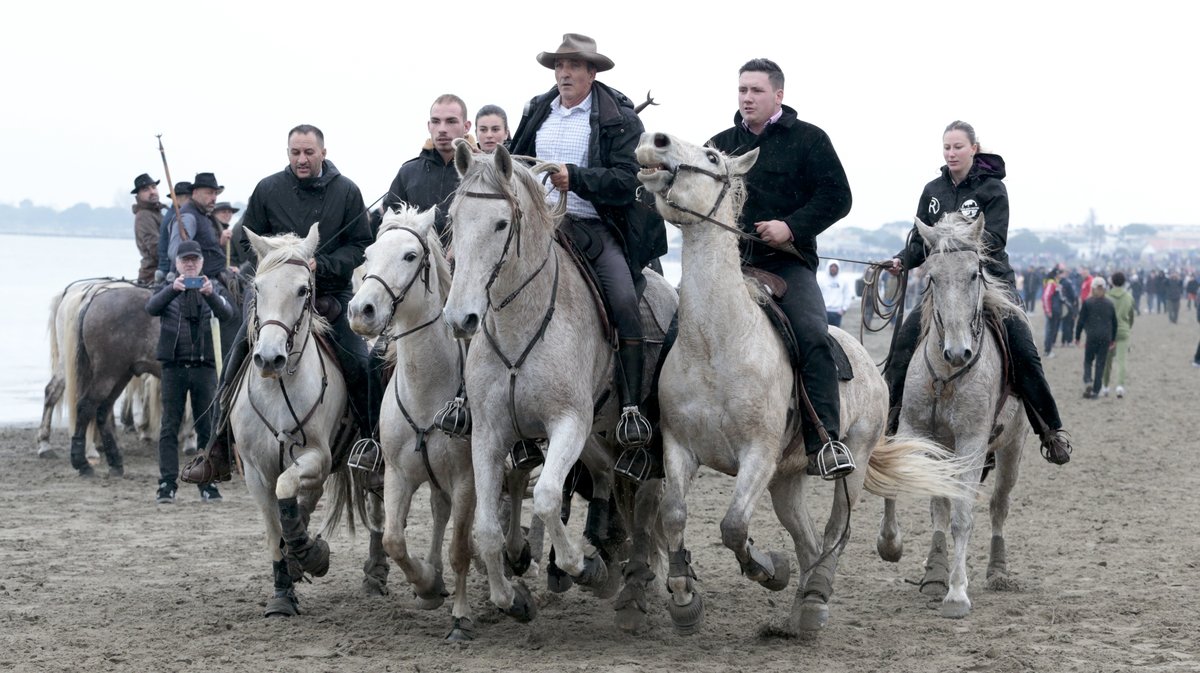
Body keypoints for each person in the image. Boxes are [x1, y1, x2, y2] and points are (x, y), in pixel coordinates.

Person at [508, 33, 668, 476]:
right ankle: (477, 405)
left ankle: (631, 410)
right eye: (559, 66)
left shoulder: (620, 118)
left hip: (595, 227)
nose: (564, 73)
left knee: (624, 302)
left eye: (574, 66)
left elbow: (628, 179)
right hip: (537, 229)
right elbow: (516, 163)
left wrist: (575, 178)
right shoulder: (537, 110)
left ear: (592, 72)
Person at [181, 124, 372, 485]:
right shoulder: (268, 189)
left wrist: (322, 264)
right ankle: (217, 449)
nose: (302, 159)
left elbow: (361, 244)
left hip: (330, 295)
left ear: (323, 153)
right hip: (273, 300)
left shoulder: (346, 191)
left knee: (361, 363)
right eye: (295, 152)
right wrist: (272, 263)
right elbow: (243, 238)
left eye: (309, 152)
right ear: (288, 154)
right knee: (237, 356)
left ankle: (371, 446)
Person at [886, 120, 1072, 465]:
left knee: (1023, 350)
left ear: (973, 148)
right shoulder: (932, 191)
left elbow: (995, 239)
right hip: (945, 286)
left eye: (958, 146)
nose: (951, 153)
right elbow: (920, 242)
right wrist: (901, 260)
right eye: (947, 147)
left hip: (991, 281)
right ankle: (890, 422)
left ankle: (1050, 430)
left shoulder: (992, 189)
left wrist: (952, 240)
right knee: (901, 346)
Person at [708, 57, 855, 479]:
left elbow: (838, 197)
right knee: (677, 333)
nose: (747, 97)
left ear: (778, 95)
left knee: (812, 334)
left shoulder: (810, 139)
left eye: (756, 90)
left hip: (788, 265)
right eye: (742, 90)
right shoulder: (719, 145)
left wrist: (790, 226)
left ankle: (825, 441)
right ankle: (652, 436)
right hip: (729, 266)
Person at [145, 240, 238, 503]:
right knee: (169, 427)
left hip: (204, 368)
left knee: (206, 429)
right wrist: (172, 289)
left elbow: (228, 313)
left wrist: (210, 294)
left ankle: (207, 483)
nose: (189, 264)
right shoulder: (166, 286)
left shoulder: (214, 286)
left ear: (201, 263)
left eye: (194, 260)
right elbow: (151, 308)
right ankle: (167, 483)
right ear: (176, 263)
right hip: (173, 367)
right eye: (185, 260)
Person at [382, 94, 472, 242]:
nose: (442, 129)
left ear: (466, 126)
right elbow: (390, 229)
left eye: (451, 121)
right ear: (429, 126)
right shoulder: (408, 173)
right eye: (436, 121)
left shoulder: (480, 172)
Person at [1075, 276, 1116, 399]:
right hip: (1105, 337)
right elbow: (1115, 323)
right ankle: (1096, 391)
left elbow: (1081, 321)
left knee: (1088, 360)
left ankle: (1088, 380)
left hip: (1092, 336)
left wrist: (1077, 337)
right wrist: (1113, 339)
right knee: (1100, 364)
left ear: (1092, 288)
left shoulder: (1088, 303)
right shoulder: (1109, 303)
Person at [1102, 271, 1135, 397]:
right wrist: (1128, 327)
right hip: (1123, 331)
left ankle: (1105, 386)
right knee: (1122, 361)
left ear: (1112, 282)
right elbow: (1131, 316)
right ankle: (1120, 386)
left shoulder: (1107, 297)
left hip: (1108, 331)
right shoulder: (1128, 297)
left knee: (1107, 361)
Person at [131, 173, 164, 284]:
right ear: (138, 196)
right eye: (146, 190)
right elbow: (155, 248)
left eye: (154, 187)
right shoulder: (144, 216)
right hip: (152, 275)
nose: (152, 192)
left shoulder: (156, 213)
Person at [156, 181, 192, 282]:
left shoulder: (179, 215)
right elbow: (173, 251)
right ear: (177, 198)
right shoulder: (175, 218)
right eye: (187, 197)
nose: (190, 201)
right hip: (169, 271)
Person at [818, 261, 854, 328]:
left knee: (835, 332)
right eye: (831, 266)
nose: (833, 268)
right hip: (824, 311)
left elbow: (847, 295)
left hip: (837, 312)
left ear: (838, 268)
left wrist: (844, 309)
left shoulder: (843, 281)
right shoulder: (822, 281)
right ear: (828, 267)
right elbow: (817, 296)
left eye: (835, 266)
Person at [1042, 267, 1065, 357]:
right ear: (1056, 275)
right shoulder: (1051, 283)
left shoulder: (1054, 283)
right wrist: (1048, 311)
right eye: (1059, 274)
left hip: (1054, 311)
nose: (1061, 275)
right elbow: (1046, 297)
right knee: (1050, 331)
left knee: (1051, 331)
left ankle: (1048, 350)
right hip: (1052, 311)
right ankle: (1048, 351)